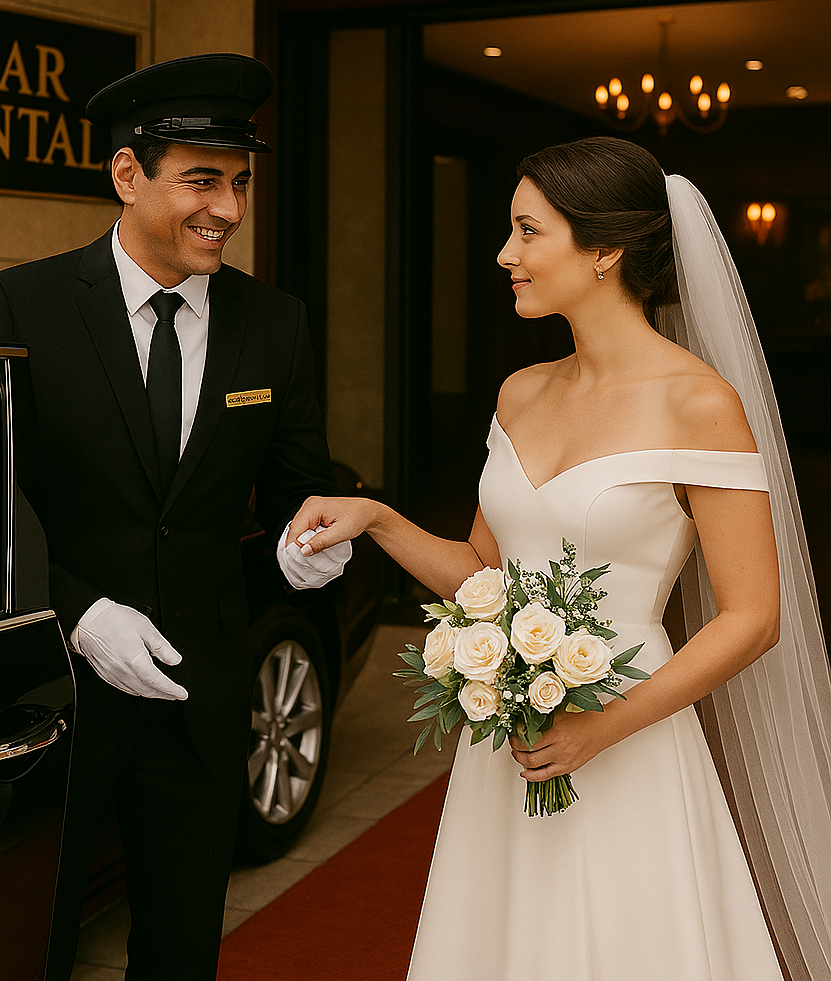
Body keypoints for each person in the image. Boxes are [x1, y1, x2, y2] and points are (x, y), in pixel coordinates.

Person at [286, 136, 831, 980]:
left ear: (606, 250)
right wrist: (379, 520)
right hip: (514, 737)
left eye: (528, 232)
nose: (506, 254)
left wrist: (600, 727)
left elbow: (754, 619)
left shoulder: (700, 404)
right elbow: (484, 573)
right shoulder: (521, 392)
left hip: (629, 727)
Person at [0, 53, 350, 981]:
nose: (228, 209)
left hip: (201, 696)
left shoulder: (276, 323)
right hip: (47, 706)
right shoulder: (20, 305)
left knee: (181, 949)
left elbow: (296, 496)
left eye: (239, 183)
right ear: (126, 175)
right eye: (201, 180)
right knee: (33, 943)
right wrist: (78, 612)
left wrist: (307, 550)